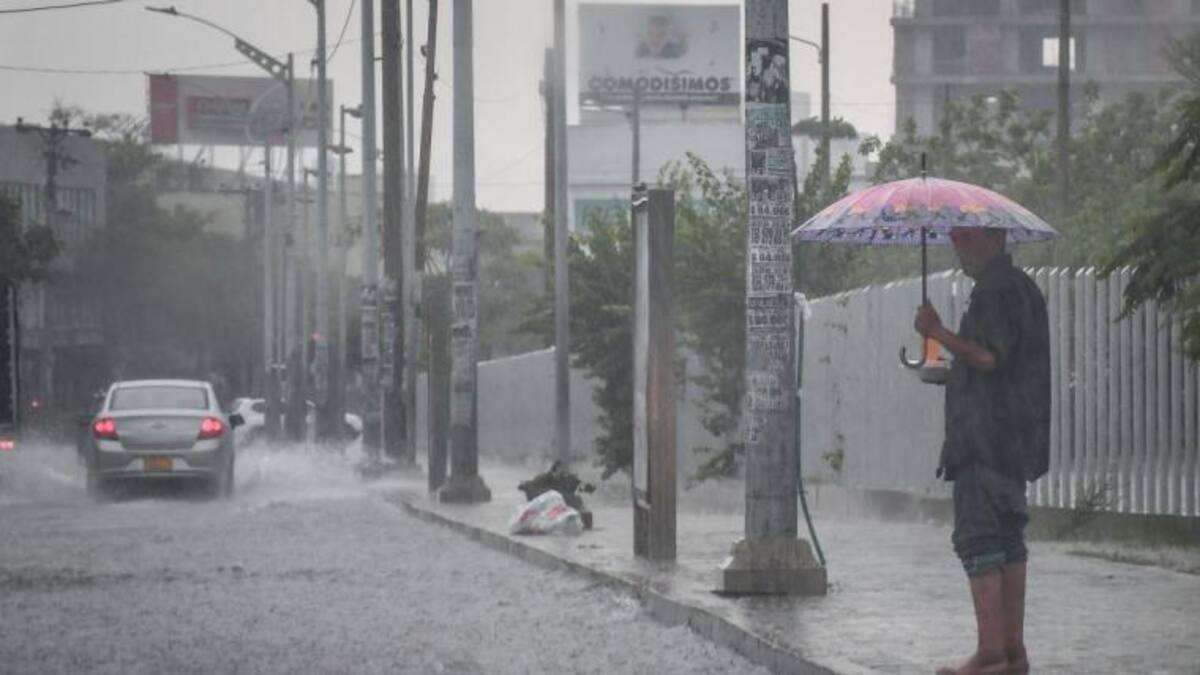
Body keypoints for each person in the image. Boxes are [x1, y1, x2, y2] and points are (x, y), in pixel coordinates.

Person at [913, 226, 1050, 675]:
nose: (958, 247)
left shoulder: (995, 291)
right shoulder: (1023, 288)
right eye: (954, 239)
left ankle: (990, 655)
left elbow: (990, 356)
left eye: (966, 238)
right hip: (1014, 441)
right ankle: (1012, 653)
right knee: (1009, 542)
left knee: (980, 540)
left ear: (994, 239)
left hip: (984, 440)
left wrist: (937, 331)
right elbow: (1003, 364)